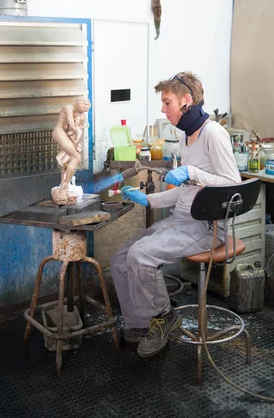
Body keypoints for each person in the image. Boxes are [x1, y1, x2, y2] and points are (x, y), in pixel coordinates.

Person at [109, 72, 240, 359]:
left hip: (207, 226)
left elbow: (232, 184)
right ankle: (141, 324)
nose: (162, 109)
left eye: (167, 102)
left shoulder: (213, 133)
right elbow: (186, 190)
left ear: (187, 101)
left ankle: (163, 318)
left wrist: (192, 172)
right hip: (180, 220)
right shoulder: (185, 136)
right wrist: (149, 199)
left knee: (141, 255)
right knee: (120, 259)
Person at [52, 96, 91, 188]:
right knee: (76, 157)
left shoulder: (76, 113)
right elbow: (71, 125)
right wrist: (78, 132)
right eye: (82, 111)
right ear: (79, 105)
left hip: (65, 133)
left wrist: (77, 139)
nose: (82, 113)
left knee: (68, 157)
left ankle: (64, 182)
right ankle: (66, 184)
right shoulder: (68, 108)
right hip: (59, 132)